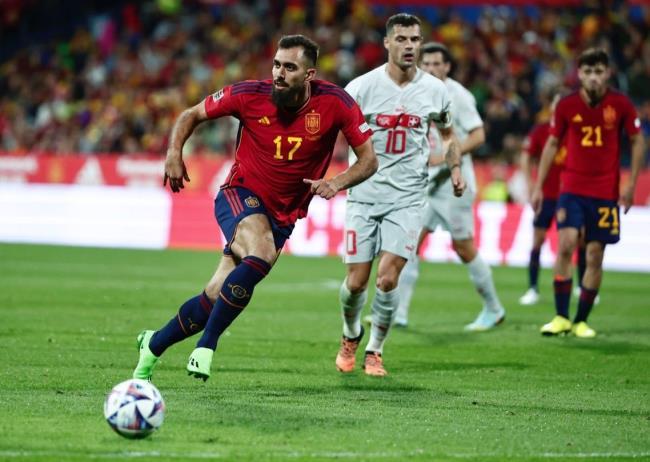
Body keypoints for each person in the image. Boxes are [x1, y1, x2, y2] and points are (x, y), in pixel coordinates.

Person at [133, 34, 378, 382]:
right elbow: (192, 114)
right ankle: (206, 346)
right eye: (276, 64)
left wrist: (337, 182)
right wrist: (174, 152)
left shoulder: (335, 102)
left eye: (289, 67)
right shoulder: (249, 94)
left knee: (216, 294)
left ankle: (153, 345)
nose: (279, 73)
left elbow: (369, 160)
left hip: (283, 215)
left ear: (309, 75)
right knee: (260, 252)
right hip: (240, 194)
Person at [335, 16, 465, 377]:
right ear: (387, 43)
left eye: (415, 40)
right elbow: (335, 132)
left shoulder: (436, 90)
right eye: (402, 39)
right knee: (356, 283)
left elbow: (449, 136)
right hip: (363, 194)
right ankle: (350, 334)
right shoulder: (360, 88)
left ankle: (375, 350)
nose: (410, 46)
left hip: (408, 197)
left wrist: (455, 168)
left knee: (388, 279)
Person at [532, 48, 645, 338]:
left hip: (606, 192)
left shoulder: (620, 104)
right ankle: (561, 317)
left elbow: (637, 141)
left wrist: (631, 184)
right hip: (572, 188)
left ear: (607, 74)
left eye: (598, 71)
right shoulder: (567, 105)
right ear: (579, 74)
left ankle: (581, 320)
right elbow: (552, 144)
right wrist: (539, 186)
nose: (593, 77)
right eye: (588, 71)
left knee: (594, 255)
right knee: (566, 244)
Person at [394, 42, 506, 331]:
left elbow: (478, 136)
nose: (431, 69)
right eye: (426, 64)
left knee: (464, 247)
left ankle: (494, 309)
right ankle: (399, 312)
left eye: (436, 64)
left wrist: (445, 158)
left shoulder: (459, 96)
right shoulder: (416, 91)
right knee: (408, 244)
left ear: (447, 67)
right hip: (427, 184)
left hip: (455, 184)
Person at [518, 93, 596, 306]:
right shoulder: (541, 130)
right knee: (538, 240)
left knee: (579, 240)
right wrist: (531, 184)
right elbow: (526, 155)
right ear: (552, 107)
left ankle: (581, 286)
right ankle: (532, 288)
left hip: (572, 196)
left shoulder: (578, 131)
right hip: (547, 195)